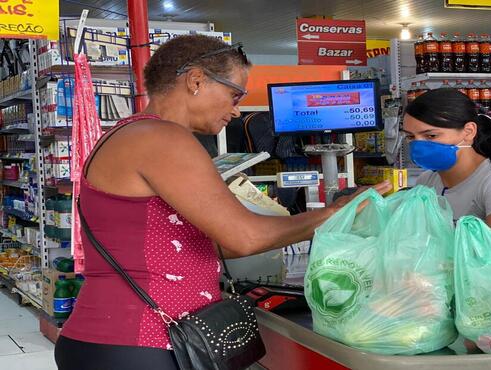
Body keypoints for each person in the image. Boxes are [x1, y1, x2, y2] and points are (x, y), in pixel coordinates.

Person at [54, 34, 390, 370]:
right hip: (139, 342)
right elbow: (243, 237)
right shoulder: (162, 138)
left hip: (116, 340)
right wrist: (331, 215)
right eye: (234, 94)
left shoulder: (130, 133)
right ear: (196, 80)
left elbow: (212, 243)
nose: (237, 109)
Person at [403, 88, 491, 252]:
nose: (418, 145)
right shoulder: (426, 182)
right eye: (411, 137)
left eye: (431, 136)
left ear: (469, 132)